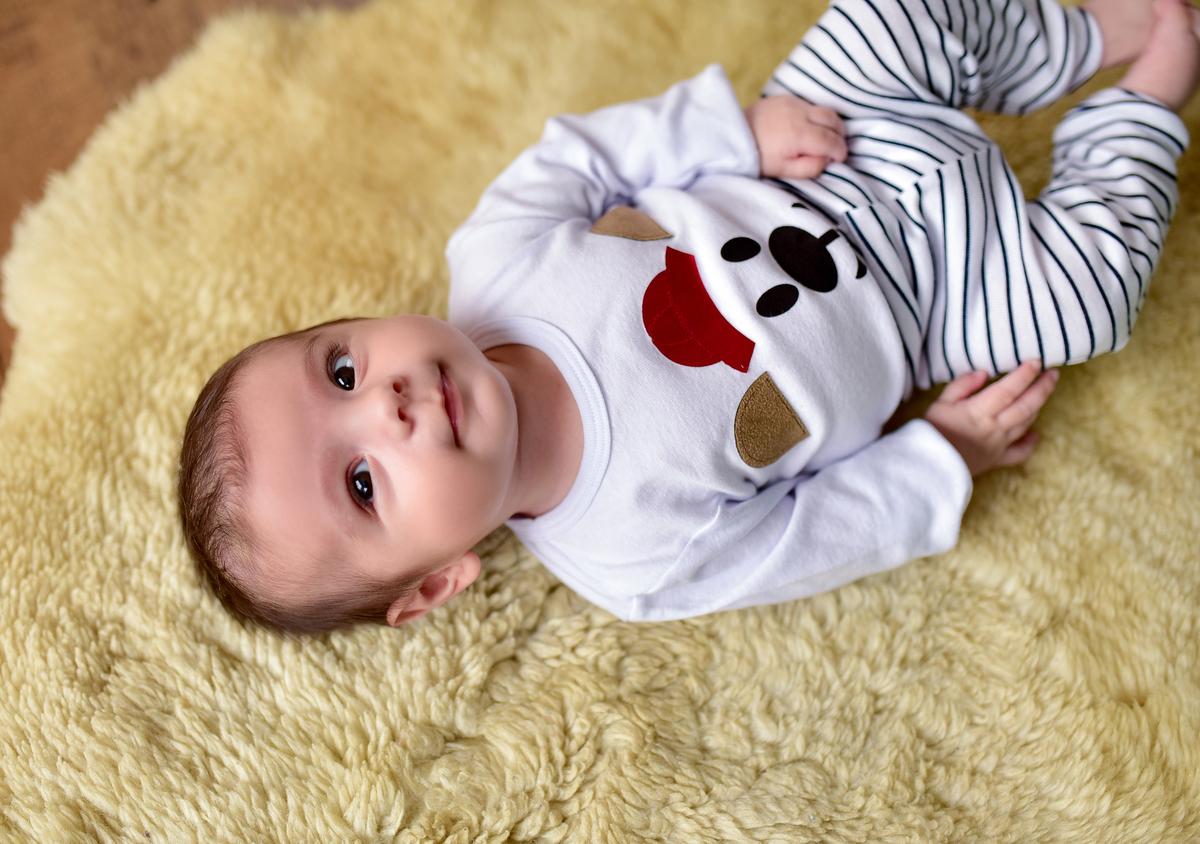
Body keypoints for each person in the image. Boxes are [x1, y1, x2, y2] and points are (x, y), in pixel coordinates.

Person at [178, 0, 1200, 633]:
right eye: (362, 482)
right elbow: (812, 535)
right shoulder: (634, 559)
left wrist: (737, 132)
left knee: (890, 20)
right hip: (933, 300)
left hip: (822, 149)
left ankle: (1083, 34)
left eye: (343, 370)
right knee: (1087, 298)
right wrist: (943, 456)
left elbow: (587, 157)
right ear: (437, 583)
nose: (387, 406)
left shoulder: (494, 258)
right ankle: (1153, 91)